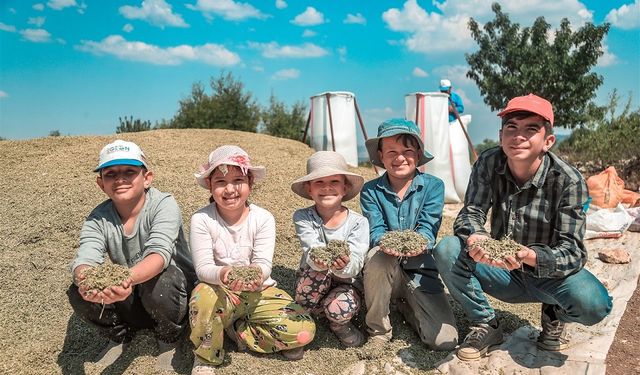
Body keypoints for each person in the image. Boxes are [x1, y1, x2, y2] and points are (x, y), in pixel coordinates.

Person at [433, 94, 612, 361]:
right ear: (501, 135)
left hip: (548, 274)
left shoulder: (568, 180)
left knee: (594, 304)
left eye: (531, 129)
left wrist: (529, 256)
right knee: (447, 249)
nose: (519, 136)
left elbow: (573, 252)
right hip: (500, 270)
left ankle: (553, 313)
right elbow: (471, 212)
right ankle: (486, 324)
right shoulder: (489, 162)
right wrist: (477, 237)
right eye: (512, 128)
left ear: (548, 141)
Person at [67, 140, 197, 370]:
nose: (120, 179)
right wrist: (87, 280)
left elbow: (158, 255)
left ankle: (168, 338)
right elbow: (86, 257)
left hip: (172, 296)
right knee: (78, 290)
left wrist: (124, 280)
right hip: (129, 292)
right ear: (101, 184)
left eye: (129, 172)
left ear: (147, 178)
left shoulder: (163, 205)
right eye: (110, 174)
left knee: (160, 280)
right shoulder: (98, 218)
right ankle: (118, 336)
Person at [188, 145, 316, 375]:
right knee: (201, 298)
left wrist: (256, 275)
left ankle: (238, 332)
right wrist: (224, 274)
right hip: (220, 290)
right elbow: (203, 268)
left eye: (238, 180)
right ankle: (207, 354)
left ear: (250, 183)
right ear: (209, 185)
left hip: (259, 290)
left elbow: (263, 264)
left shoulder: (263, 218)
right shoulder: (202, 219)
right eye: (220, 182)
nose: (230, 189)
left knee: (303, 331)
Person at [360, 118, 458, 350]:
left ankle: (406, 306)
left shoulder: (434, 186)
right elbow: (377, 230)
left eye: (407, 151)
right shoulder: (370, 191)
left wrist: (420, 243)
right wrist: (387, 244)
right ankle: (378, 331)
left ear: (418, 154)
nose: (400, 158)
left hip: (420, 270)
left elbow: (427, 227)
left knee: (444, 341)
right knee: (378, 256)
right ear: (381, 156)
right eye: (391, 151)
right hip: (384, 266)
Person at [291, 151, 369, 347]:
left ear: (345, 187)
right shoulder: (303, 217)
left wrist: (344, 264)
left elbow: (356, 262)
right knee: (314, 276)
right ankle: (304, 319)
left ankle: (339, 325)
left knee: (338, 308)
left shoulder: (359, 222)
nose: (327, 187)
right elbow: (312, 248)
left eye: (334, 181)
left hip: (347, 283)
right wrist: (319, 261)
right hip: (314, 278)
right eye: (318, 182)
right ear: (309, 189)